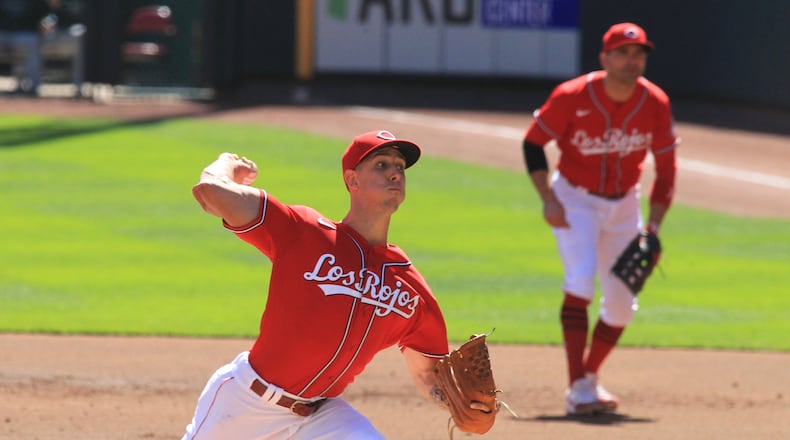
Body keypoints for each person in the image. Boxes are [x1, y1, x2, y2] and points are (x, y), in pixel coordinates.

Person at [184, 130, 488, 439]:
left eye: (399, 166)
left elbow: (429, 375)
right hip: (246, 405)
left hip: (322, 417)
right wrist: (227, 165)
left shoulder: (409, 288)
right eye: (381, 165)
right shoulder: (304, 232)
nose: (395, 173)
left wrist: (462, 406)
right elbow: (211, 191)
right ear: (352, 180)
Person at [520, 22, 679, 415]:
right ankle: (578, 386)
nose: (631, 60)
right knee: (581, 280)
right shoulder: (572, 95)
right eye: (623, 53)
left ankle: (586, 380)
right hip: (575, 198)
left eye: (638, 54)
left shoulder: (655, 102)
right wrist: (548, 199)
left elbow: (667, 169)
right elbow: (533, 143)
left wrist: (653, 227)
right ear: (605, 58)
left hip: (625, 203)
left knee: (623, 303)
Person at [0, 0, 50, 94]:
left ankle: (34, 86)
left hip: (26, 32)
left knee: (30, 43)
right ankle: (20, 83)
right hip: (4, 32)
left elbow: (46, 13)